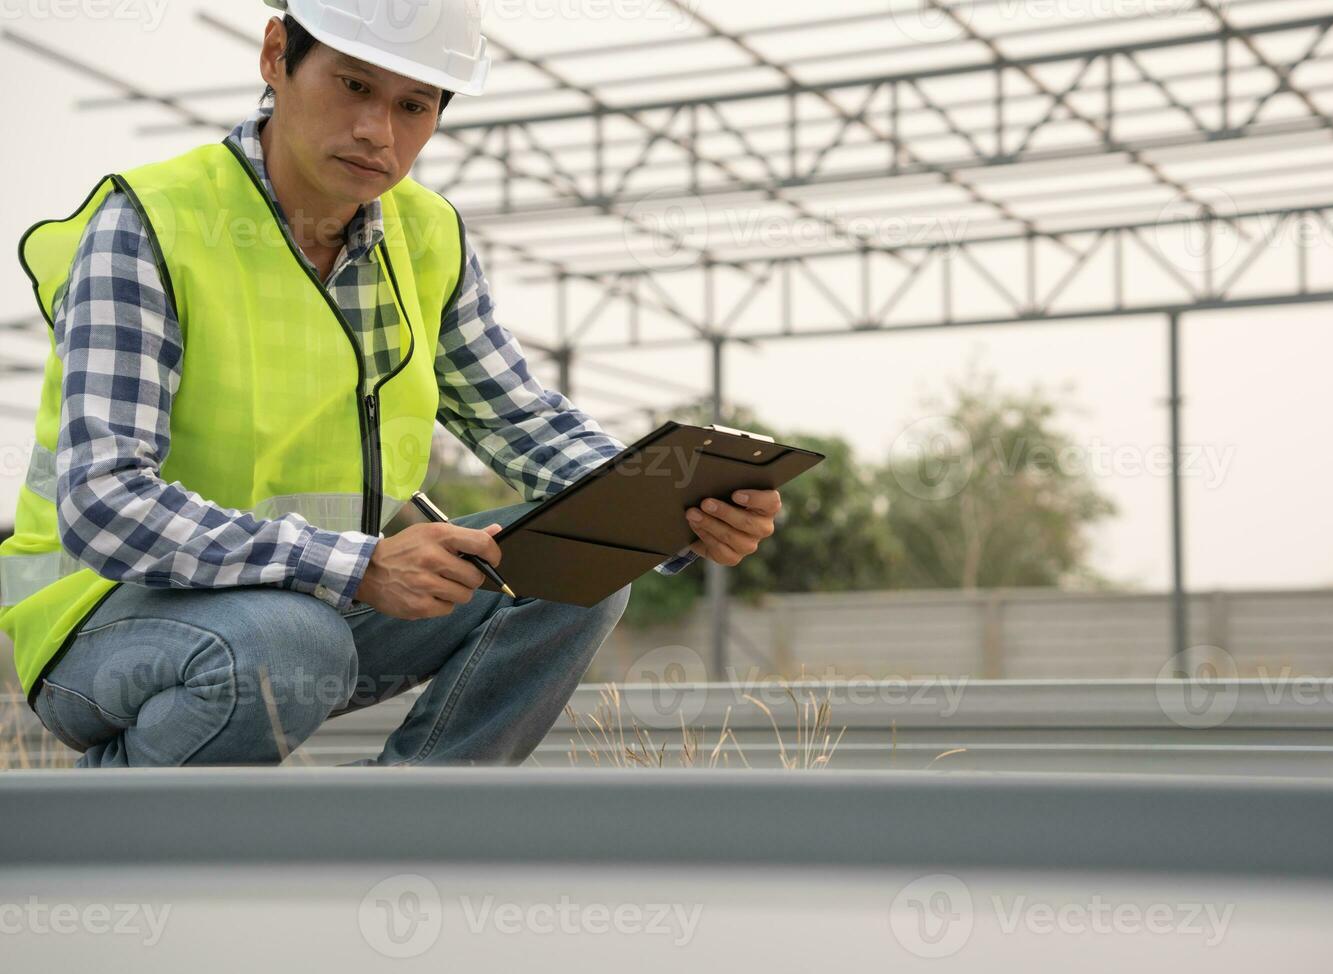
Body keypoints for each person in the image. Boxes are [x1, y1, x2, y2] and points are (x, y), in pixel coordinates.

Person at [0, 0, 782, 767]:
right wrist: (361, 565)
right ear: (277, 55)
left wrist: (667, 507)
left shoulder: (425, 234)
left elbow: (521, 420)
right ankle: (115, 807)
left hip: (313, 601)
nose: (379, 131)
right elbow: (103, 503)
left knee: (574, 571)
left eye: (413, 104)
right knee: (288, 641)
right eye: (353, 86)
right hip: (105, 614)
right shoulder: (151, 225)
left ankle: (410, 816)